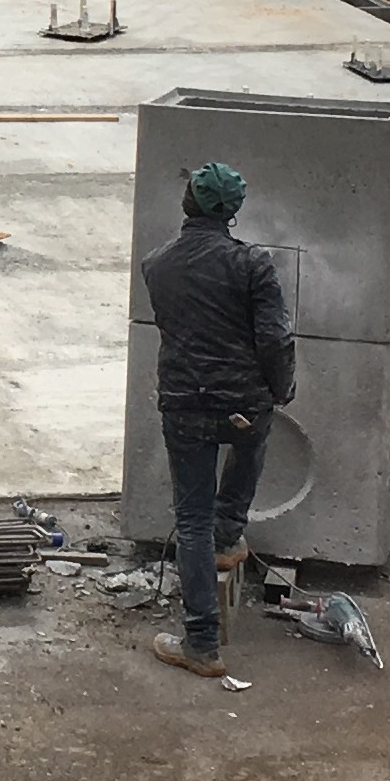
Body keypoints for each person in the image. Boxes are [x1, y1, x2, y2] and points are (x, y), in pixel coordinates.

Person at [138, 159, 294, 679]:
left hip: (184, 403)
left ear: (187, 204)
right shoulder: (253, 265)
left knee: (191, 521)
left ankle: (201, 643)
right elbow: (274, 339)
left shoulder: (156, 264)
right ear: (233, 212)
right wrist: (281, 387)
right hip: (241, 404)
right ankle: (231, 532)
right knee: (256, 432)